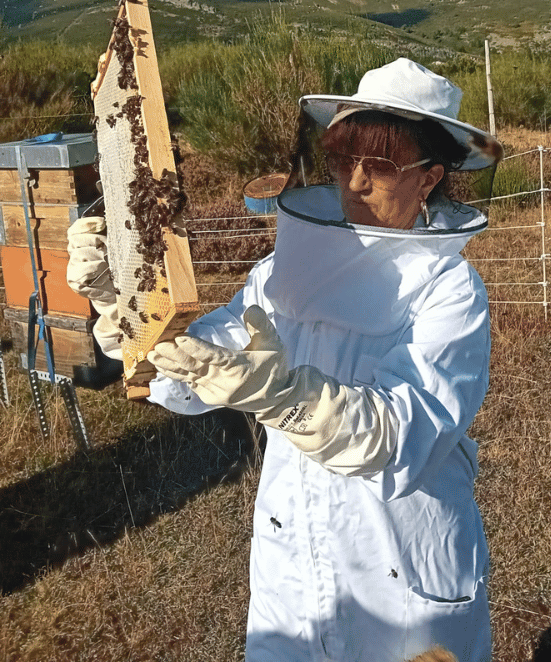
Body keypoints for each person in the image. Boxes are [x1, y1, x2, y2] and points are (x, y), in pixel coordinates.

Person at [67, 58, 502, 662]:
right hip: (291, 556)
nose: (353, 183)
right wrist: (122, 303)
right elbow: (200, 365)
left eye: (377, 166)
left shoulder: (451, 289)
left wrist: (282, 397)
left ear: (429, 177)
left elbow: (404, 435)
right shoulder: (283, 271)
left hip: (400, 562)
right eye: (342, 161)